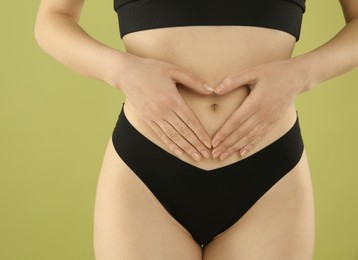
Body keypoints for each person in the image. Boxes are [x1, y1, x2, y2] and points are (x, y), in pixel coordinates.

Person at [34, 0, 358, 259]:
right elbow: (52, 18)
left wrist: (302, 74)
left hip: (270, 175)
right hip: (146, 175)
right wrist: (122, 71)